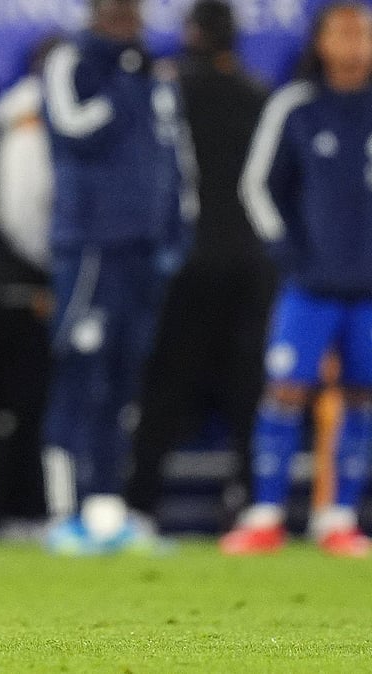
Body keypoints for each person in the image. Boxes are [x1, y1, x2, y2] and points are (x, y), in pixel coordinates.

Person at [40, 0, 195, 553]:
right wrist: (121, 84)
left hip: (142, 251)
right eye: (116, 10)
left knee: (124, 382)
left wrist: (177, 229)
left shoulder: (153, 73)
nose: (127, 19)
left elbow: (175, 153)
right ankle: (63, 514)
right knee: (81, 376)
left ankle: (107, 511)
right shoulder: (72, 62)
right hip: (91, 249)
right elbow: (73, 130)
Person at [223, 1, 372, 558]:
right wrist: (289, 255)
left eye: (363, 32)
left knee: (361, 396)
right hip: (310, 286)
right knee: (286, 392)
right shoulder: (296, 104)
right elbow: (257, 185)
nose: (355, 42)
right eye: (343, 32)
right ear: (321, 42)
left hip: (368, 290)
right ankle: (266, 514)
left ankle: (339, 517)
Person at [125, 0, 275, 530]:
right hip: (250, 260)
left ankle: (140, 504)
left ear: (192, 33)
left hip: (186, 261)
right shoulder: (259, 95)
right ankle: (253, 501)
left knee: (167, 381)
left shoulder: (170, 90)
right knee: (247, 389)